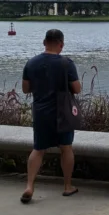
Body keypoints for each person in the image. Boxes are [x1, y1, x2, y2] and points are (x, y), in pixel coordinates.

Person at [20, 29, 82, 203]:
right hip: (63, 112)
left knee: (38, 149)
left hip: (41, 111)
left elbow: (25, 89)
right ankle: (67, 186)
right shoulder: (66, 63)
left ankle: (29, 186)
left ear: (44, 42)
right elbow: (77, 89)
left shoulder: (31, 63)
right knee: (66, 148)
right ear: (61, 44)